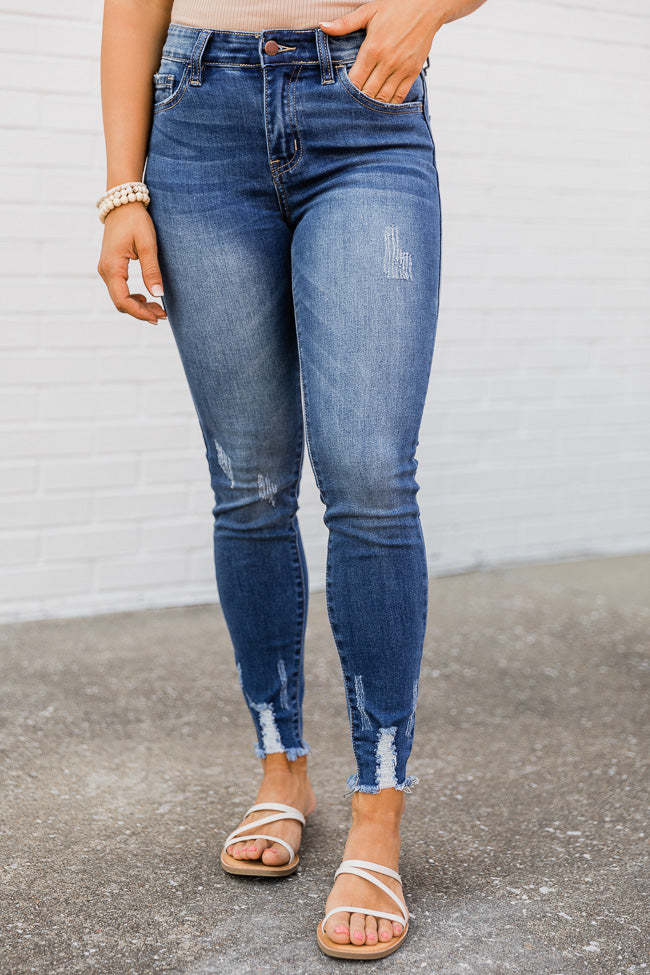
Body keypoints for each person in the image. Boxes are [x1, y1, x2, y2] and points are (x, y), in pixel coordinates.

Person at [97, 0, 488, 959]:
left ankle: (378, 809)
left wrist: (429, 10)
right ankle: (282, 770)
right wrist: (121, 190)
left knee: (372, 479)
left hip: (365, 112)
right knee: (250, 481)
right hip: (197, 123)